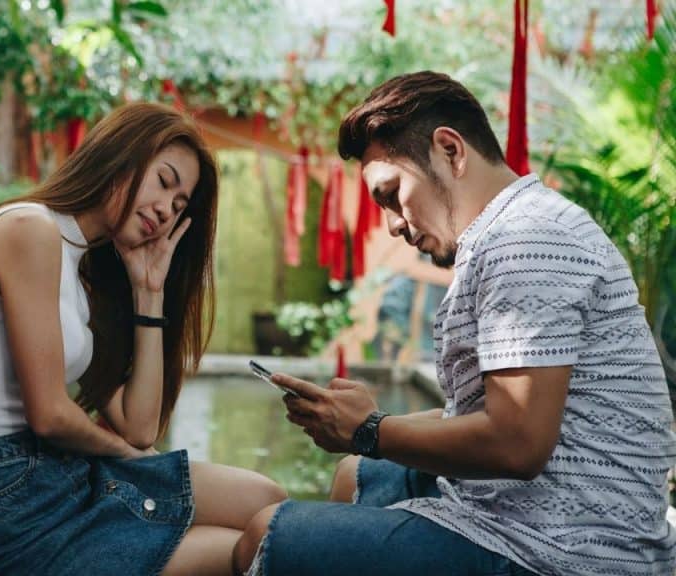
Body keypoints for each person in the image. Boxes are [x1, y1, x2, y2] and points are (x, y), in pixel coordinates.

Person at [232, 71, 676, 576]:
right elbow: (493, 411)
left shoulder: (526, 244)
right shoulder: (514, 229)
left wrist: (371, 430)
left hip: (565, 551)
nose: (394, 223)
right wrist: (364, 424)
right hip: (537, 511)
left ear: (450, 150)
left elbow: (518, 444)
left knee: (261, 536)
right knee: (355, 476)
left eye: (391, 193)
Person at [0, 102, 286, 576]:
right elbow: (51, 415)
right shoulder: (29, 230)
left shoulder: (76, 270)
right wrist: (128, 456)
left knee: (268, 502)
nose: (165, 209)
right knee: (255, 544)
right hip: (10, 519)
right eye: (164, 181)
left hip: (57, 482)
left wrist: (148, 292)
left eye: (180, 206)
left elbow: (139, 427)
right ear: (122, 154)